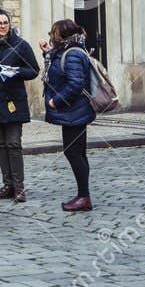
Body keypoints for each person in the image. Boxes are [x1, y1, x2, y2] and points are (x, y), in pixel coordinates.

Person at [0, 6, 40, 204]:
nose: (3, 26)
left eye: (6, 22)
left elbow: (33, 70)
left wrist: (16, 71)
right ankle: (7, 185)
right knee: (0, 145)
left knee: (14, 144)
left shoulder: (20, 45)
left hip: (14, 102)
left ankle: (19, 187)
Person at [42, 18, 97, 212]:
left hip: (75, 111)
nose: (51, 36)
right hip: (74, 111)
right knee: (78, 152)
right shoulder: (69, 49)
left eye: (53, 33)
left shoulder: (72, 53)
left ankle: (84, 197)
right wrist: (46, 53)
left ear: (62, 35)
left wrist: (55, 101)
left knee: (73, 152)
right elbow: (59, 70)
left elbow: (75, 83)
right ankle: (84, 195)